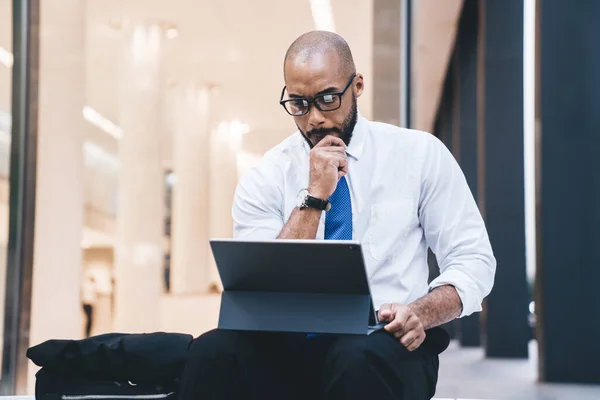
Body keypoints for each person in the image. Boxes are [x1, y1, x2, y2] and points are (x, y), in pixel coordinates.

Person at [179, 31, 496, 400]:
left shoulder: (419, 154)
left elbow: (474, 260)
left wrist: (420, 313)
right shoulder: (266, 174)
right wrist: (314, 198)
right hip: (287, 344)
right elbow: (264, 285)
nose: (313, 117)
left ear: (357, 85)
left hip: (383, 342)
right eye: (298, 104)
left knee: (356, 360)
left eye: (327, 99)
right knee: (212, 353)